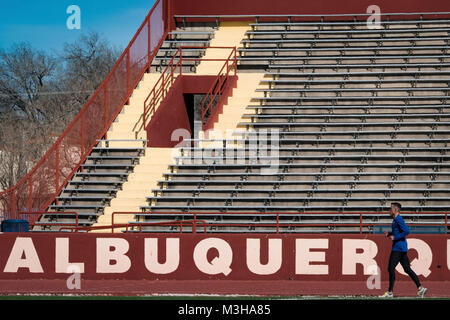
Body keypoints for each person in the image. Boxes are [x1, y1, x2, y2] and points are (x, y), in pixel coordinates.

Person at [379, 202, 427, 298]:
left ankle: (390, 292)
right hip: (401, 248)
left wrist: (395, 237)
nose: (389, 210)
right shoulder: (395, 220)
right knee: (407, 269)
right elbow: (398, 231)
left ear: (396, 210)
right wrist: (389, 234)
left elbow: (406, 231)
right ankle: (420, 288)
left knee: (390, 268)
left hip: (398, 248)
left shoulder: (398, 219)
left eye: (391, 208)